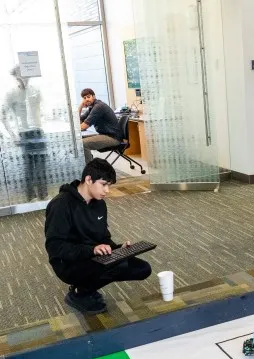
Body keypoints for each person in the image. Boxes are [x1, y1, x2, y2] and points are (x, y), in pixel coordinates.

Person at [44, 158, 152, 314]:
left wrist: (118, 248)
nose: (107, 190)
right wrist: (93, 250)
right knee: (117, 265)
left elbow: (103, 238)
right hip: (68, 263)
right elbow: (55, 247)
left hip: (93, 256)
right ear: (88, 179)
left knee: (142, 269)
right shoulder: (61, 205)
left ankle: (88, 286)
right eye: (103, 184)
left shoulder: (99, 203)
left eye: (109, 185)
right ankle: (80, 293)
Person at [1, 64, 48, 201]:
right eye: (20, 73)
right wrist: (13, 135)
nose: (24, 77)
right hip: (24, 134)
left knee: (41, 167)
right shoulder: (11, 93)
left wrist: (42, 126)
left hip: (38, 132)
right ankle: (31, 196)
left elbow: (42, 109)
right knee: (29, 168)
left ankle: (43, 194)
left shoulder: (36, 90)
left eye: (26, 73)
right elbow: (2, 115)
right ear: (15, 75)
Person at [79, 88, 123, 163]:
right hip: (105, 135)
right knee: (79, 140)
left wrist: (73, 130)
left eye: (88, 97)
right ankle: (87, 162)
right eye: (84, 98)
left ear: (94, 96)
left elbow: (84, 126)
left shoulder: (98, 107)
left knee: (83, 143)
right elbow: (79, 121)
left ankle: (89, 169)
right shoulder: (91, 107)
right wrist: (80, 107)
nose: (86, 99)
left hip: (113, 137)